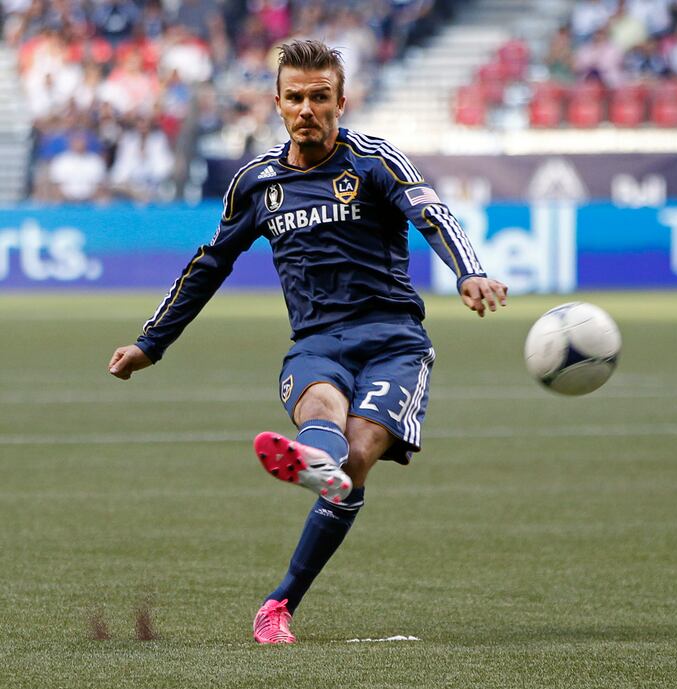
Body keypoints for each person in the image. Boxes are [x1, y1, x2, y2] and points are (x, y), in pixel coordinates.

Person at [107, 39, 507, 645]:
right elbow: (209, 264)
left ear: (341, 101)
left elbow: (434, 215)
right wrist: (149, 344)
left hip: (394, 341)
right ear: (277, 103)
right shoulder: (257, 183)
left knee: (361, 451)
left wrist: (468, 270)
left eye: (320, 97)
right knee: (322, 411)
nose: (307, 109)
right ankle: (316, 465)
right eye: (295, 98)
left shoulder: (375, 162)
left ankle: (279, 600)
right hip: (316, 343)